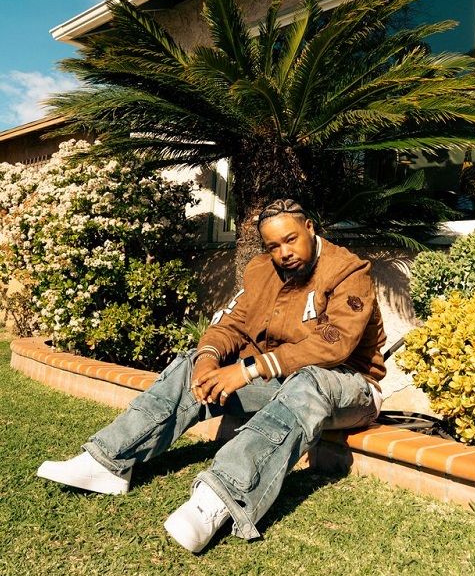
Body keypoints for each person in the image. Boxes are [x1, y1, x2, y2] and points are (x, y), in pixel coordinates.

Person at [37, 198, 387, 553]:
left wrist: (249, 369)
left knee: (309, 382)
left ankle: (219, 497)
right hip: (282, 382)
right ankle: (107, 461)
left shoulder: (348, 271)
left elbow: (333, 345)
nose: (284, 253)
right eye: (273, 246)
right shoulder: (261, 271)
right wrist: (208, 358)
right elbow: (229, 324)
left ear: (309, 228)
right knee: (192, 364)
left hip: (348, 388)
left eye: (291, 239)